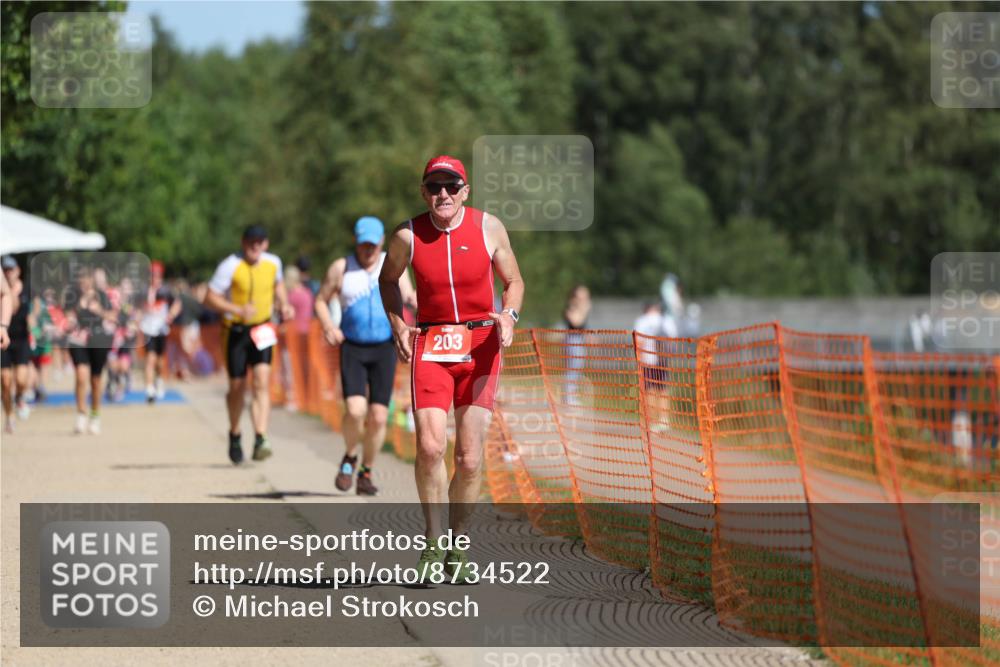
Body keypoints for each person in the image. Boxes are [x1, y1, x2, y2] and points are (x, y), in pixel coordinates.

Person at [379, 155, 524, 581]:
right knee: (428, 447)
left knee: (470, 457)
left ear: (465, 190)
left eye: (451, 186)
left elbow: (514, 281)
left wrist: (509, 317)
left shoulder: (488, 227)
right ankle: (432, 541)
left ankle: (459, 548)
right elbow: (387, 280)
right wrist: (398, 324)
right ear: (424, 192)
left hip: (480, 345)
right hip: (431, 343)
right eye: (434, 187)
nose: (443, 194)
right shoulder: (407, 234)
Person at [315, 217, 417, 496]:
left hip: (384, 346)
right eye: (363, 245)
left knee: (379, 416)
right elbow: (320, 300)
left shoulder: (392, 262)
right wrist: (328, 327)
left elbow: (408, 295)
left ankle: (366, 470)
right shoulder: (342, 267)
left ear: (382, 242)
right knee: (356, 410)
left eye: (372, 245)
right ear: (356, 243)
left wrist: (425, 305)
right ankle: (350, 456)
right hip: (354, 348)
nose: (368, 250)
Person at [204, 225, 294, 464]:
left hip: (263, 329)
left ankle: (260, 437)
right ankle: (234, 433)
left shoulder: (273, 263)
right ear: (243, 242)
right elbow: (209, 297)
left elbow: (279, 286)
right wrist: (236, 309)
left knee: (262, 381)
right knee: (237, 387)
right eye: (251, 241)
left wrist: (283, 304)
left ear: (266, 244)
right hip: (235, 331)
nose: (256, 246)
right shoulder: (230, 265)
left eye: (260, 241)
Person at [64, 266, 117, 435]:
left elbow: (113, 316)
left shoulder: (102, 295)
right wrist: (81, 304)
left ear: (92, 280)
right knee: (81, 376)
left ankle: (95, 415)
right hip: (78, 340)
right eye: (81, 279)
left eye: (87, 279)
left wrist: (99, 310)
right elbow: (67, 316)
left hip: (97, 340)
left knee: (95, 380)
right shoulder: (72, 295)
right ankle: (81, 414)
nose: (84, 282)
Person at [139, 261, 181, 403]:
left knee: (159, 361)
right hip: (148, 329)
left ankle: (159, 380)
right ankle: (149, 389)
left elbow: (177, 303)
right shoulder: (144, 291)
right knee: (150, 359)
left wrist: (171, 315)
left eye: (157, 275)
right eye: (152, 275)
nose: (154, 278)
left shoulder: (166, 290)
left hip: (161, 329)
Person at [2, 257, 32, 433]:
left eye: (11, 270)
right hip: (3, 340)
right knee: (5, 381)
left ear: (18, 271)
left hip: (21, 339)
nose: (8, 273)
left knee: (20, 379)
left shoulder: (25, 289)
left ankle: (20, 397)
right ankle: (9, 416)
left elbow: (19, 308)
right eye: (5, 270)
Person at [562, 284, 591, 402]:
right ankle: (568, 397)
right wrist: (584, 309)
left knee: (577, 367)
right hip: (572, 339)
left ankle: (570, 395)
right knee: (572, 368)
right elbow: (576, 323)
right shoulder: (571, 308)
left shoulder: (580, 308)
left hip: (579, 339)